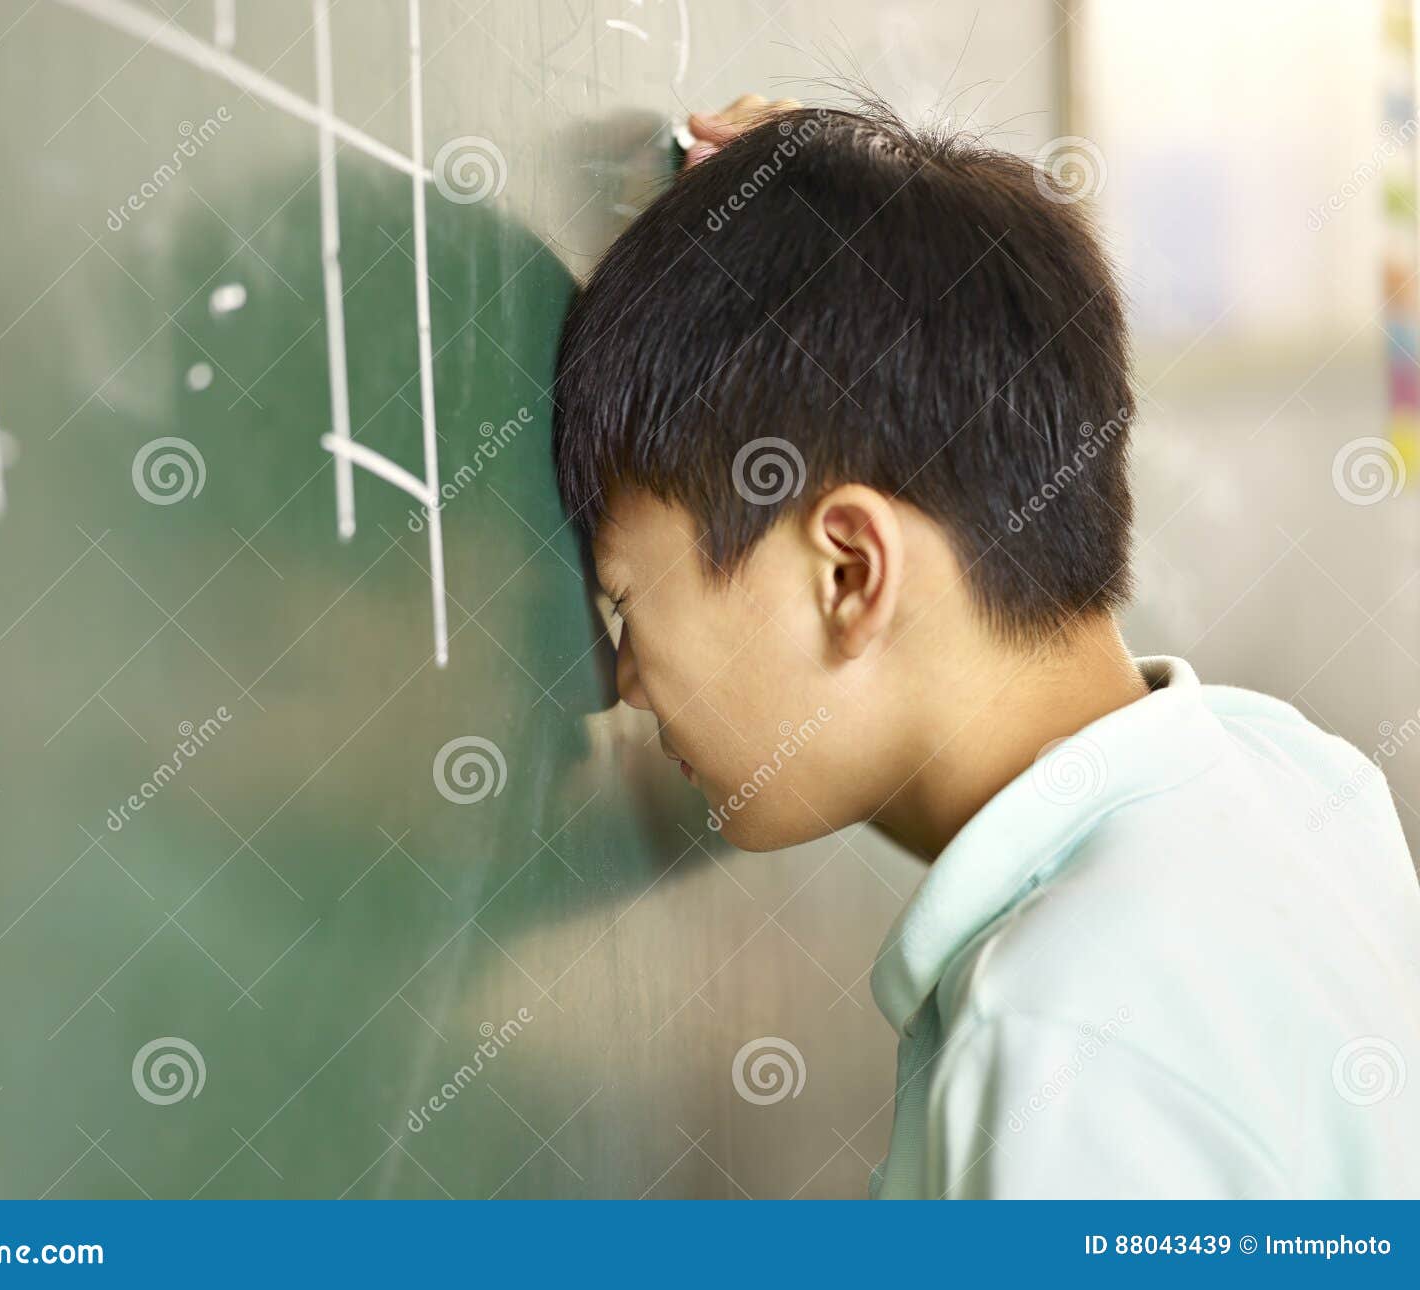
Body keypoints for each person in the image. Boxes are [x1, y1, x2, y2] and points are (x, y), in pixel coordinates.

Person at [552, 95, 1420, 1198]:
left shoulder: (1066, 1036)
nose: (615, 683)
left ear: (850, 573)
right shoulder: (1294, 775)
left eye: (628, 606)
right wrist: (814, 235)